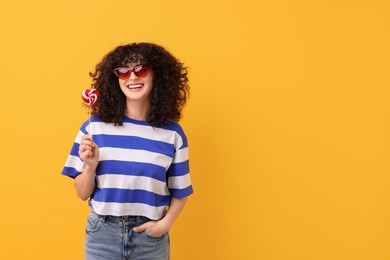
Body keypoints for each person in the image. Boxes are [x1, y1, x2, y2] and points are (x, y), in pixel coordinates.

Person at [62, 42, 193, 260]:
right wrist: (90, 166)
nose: (132, 77)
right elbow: (82, 193)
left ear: (156, 75)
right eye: (123, 72)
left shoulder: (173, 134)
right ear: (116, 79)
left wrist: (164, 225)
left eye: (141, 69)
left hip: (150, 241)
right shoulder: (93, 129)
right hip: (102, 235)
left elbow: (181, 191)